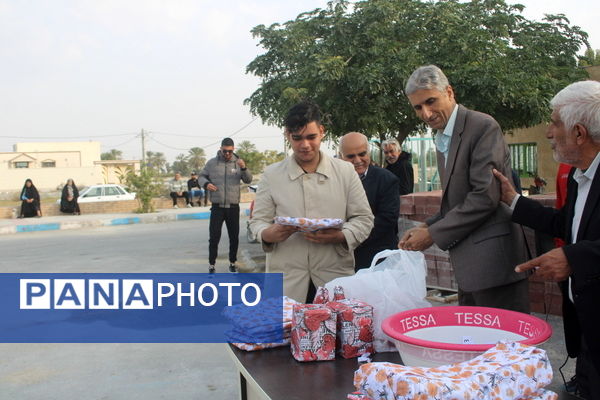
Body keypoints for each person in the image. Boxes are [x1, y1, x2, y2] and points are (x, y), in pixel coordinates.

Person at [493, 80, 600, 399]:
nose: (549, 132)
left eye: (554, 123)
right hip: (588, 330)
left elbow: (581, 247)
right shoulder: (582, 177)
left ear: (579, 133)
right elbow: (566, 224)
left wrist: (574, 258)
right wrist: (513, 200)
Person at [398, 65, 530, 313]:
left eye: (430, 101)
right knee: (474, 345)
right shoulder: (442, 137)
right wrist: (427, 225)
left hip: (495, 265)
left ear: (449, 92)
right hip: (469, 266)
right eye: (418, 107)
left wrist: (433, 234)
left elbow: (485, 197)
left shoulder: (482, 126)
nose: (426, 113)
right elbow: (458, 199)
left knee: (504, 346)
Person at [249, 101, 374, 302]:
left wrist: (341, 236)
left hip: (334, 275)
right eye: (297, 138)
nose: (305, 145)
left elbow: (364, 219)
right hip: (287, 278)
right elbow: (257, 222)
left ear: (322, 132)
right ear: (287, 135)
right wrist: (267, 234)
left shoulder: (345, 171)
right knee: (286, 332)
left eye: (311, 137)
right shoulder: (272, 175)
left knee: (337, 330)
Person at [340, 132, 400, 270]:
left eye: (362, 154)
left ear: (369, 153)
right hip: (342, 257)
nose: (357, 160)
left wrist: (349, 237)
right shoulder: (333, 181)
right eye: (351, 156)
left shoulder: (387, 180)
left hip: (376, 258)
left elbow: (387, 219)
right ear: (341, 156)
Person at [199, 138, 252, 273]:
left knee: (233, 237)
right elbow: (201, 176)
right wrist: (205, 184)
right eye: (225, 151)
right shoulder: (212, 163)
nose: (227, 154)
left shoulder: (238, 163)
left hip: (233, 207)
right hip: (217, 207)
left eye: (230, 151)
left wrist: (244, 168)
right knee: (214, 237)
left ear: (233, 149)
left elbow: (248, 179)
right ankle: (212, 264)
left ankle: (232, 262)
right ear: (221, 149)